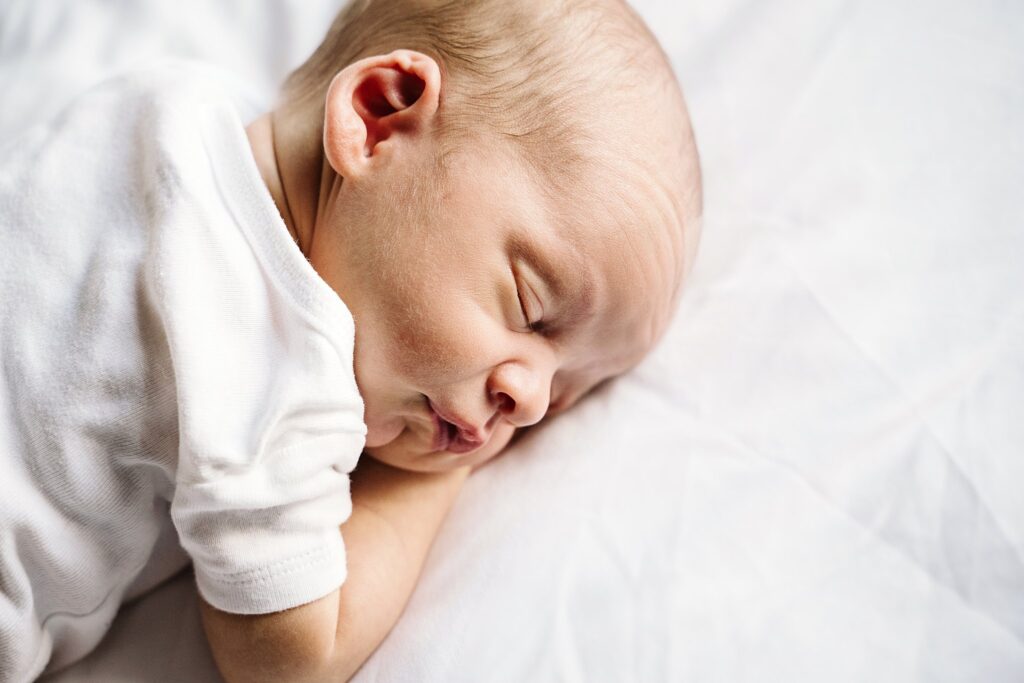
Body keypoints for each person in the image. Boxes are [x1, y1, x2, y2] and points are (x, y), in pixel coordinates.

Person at [0, 0, 701, 680]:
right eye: (530, 305)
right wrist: (430, 478)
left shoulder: (168, 98)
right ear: (375, 119)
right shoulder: (278, 365)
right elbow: (290, 653)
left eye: (568, 393)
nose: (529, 402)